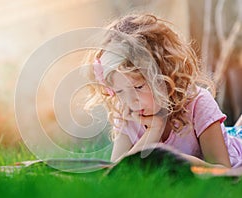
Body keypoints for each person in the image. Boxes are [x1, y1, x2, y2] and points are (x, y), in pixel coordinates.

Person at [84, 14, 242, 168]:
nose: (131, 100)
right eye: (119, 91)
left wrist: (174, 160)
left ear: (165, 75)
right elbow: (117, 176)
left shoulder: (198, 104)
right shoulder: (127, 114)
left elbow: (223, 172)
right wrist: (153, 131)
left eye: (138, 87)